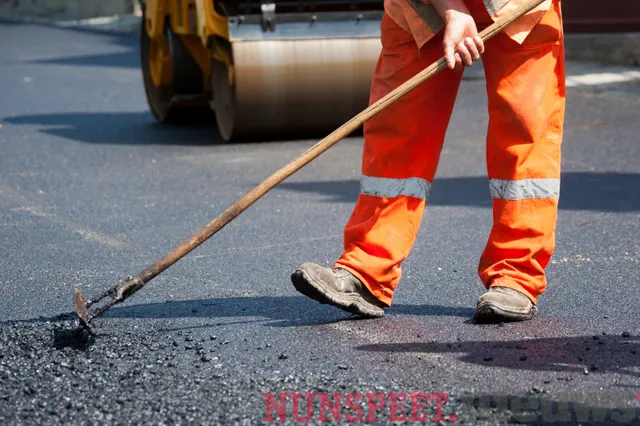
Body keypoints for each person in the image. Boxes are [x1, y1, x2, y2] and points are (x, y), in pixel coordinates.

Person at [291, 0, 565, 322]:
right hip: (421, 8)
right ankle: (367, 269)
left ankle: (516, 276)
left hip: (519, 7)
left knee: (525, 131)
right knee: (398, 129)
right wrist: (451, 10)